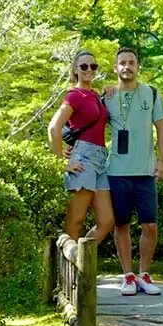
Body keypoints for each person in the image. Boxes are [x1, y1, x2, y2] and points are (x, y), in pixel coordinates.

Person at [102, 46, 163, 296]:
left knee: (150, 225)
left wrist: (162, 161)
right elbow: (87, 123)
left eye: (131, 62)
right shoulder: (107, 96)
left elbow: (161, 128)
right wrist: (69, 147)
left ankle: (144, 274)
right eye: (122, 63)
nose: (127, 67)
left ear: (137, 67)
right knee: (121, 224)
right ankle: (128, 276)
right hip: (116, 172)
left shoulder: (151, 93)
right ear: (115, 67)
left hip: (145, 172)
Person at [48, 50, 115, 243]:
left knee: (106, 221)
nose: (89, 69)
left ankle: (83, 259)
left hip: (101, 160)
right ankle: (71, 262)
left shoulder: (95, 95)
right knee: (75, 221)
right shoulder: (74, 95)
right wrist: (60, 163)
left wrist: (111, 89)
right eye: (84, 66)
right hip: (84, 159)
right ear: (75, 70)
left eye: (93, 66)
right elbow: (53, 128)